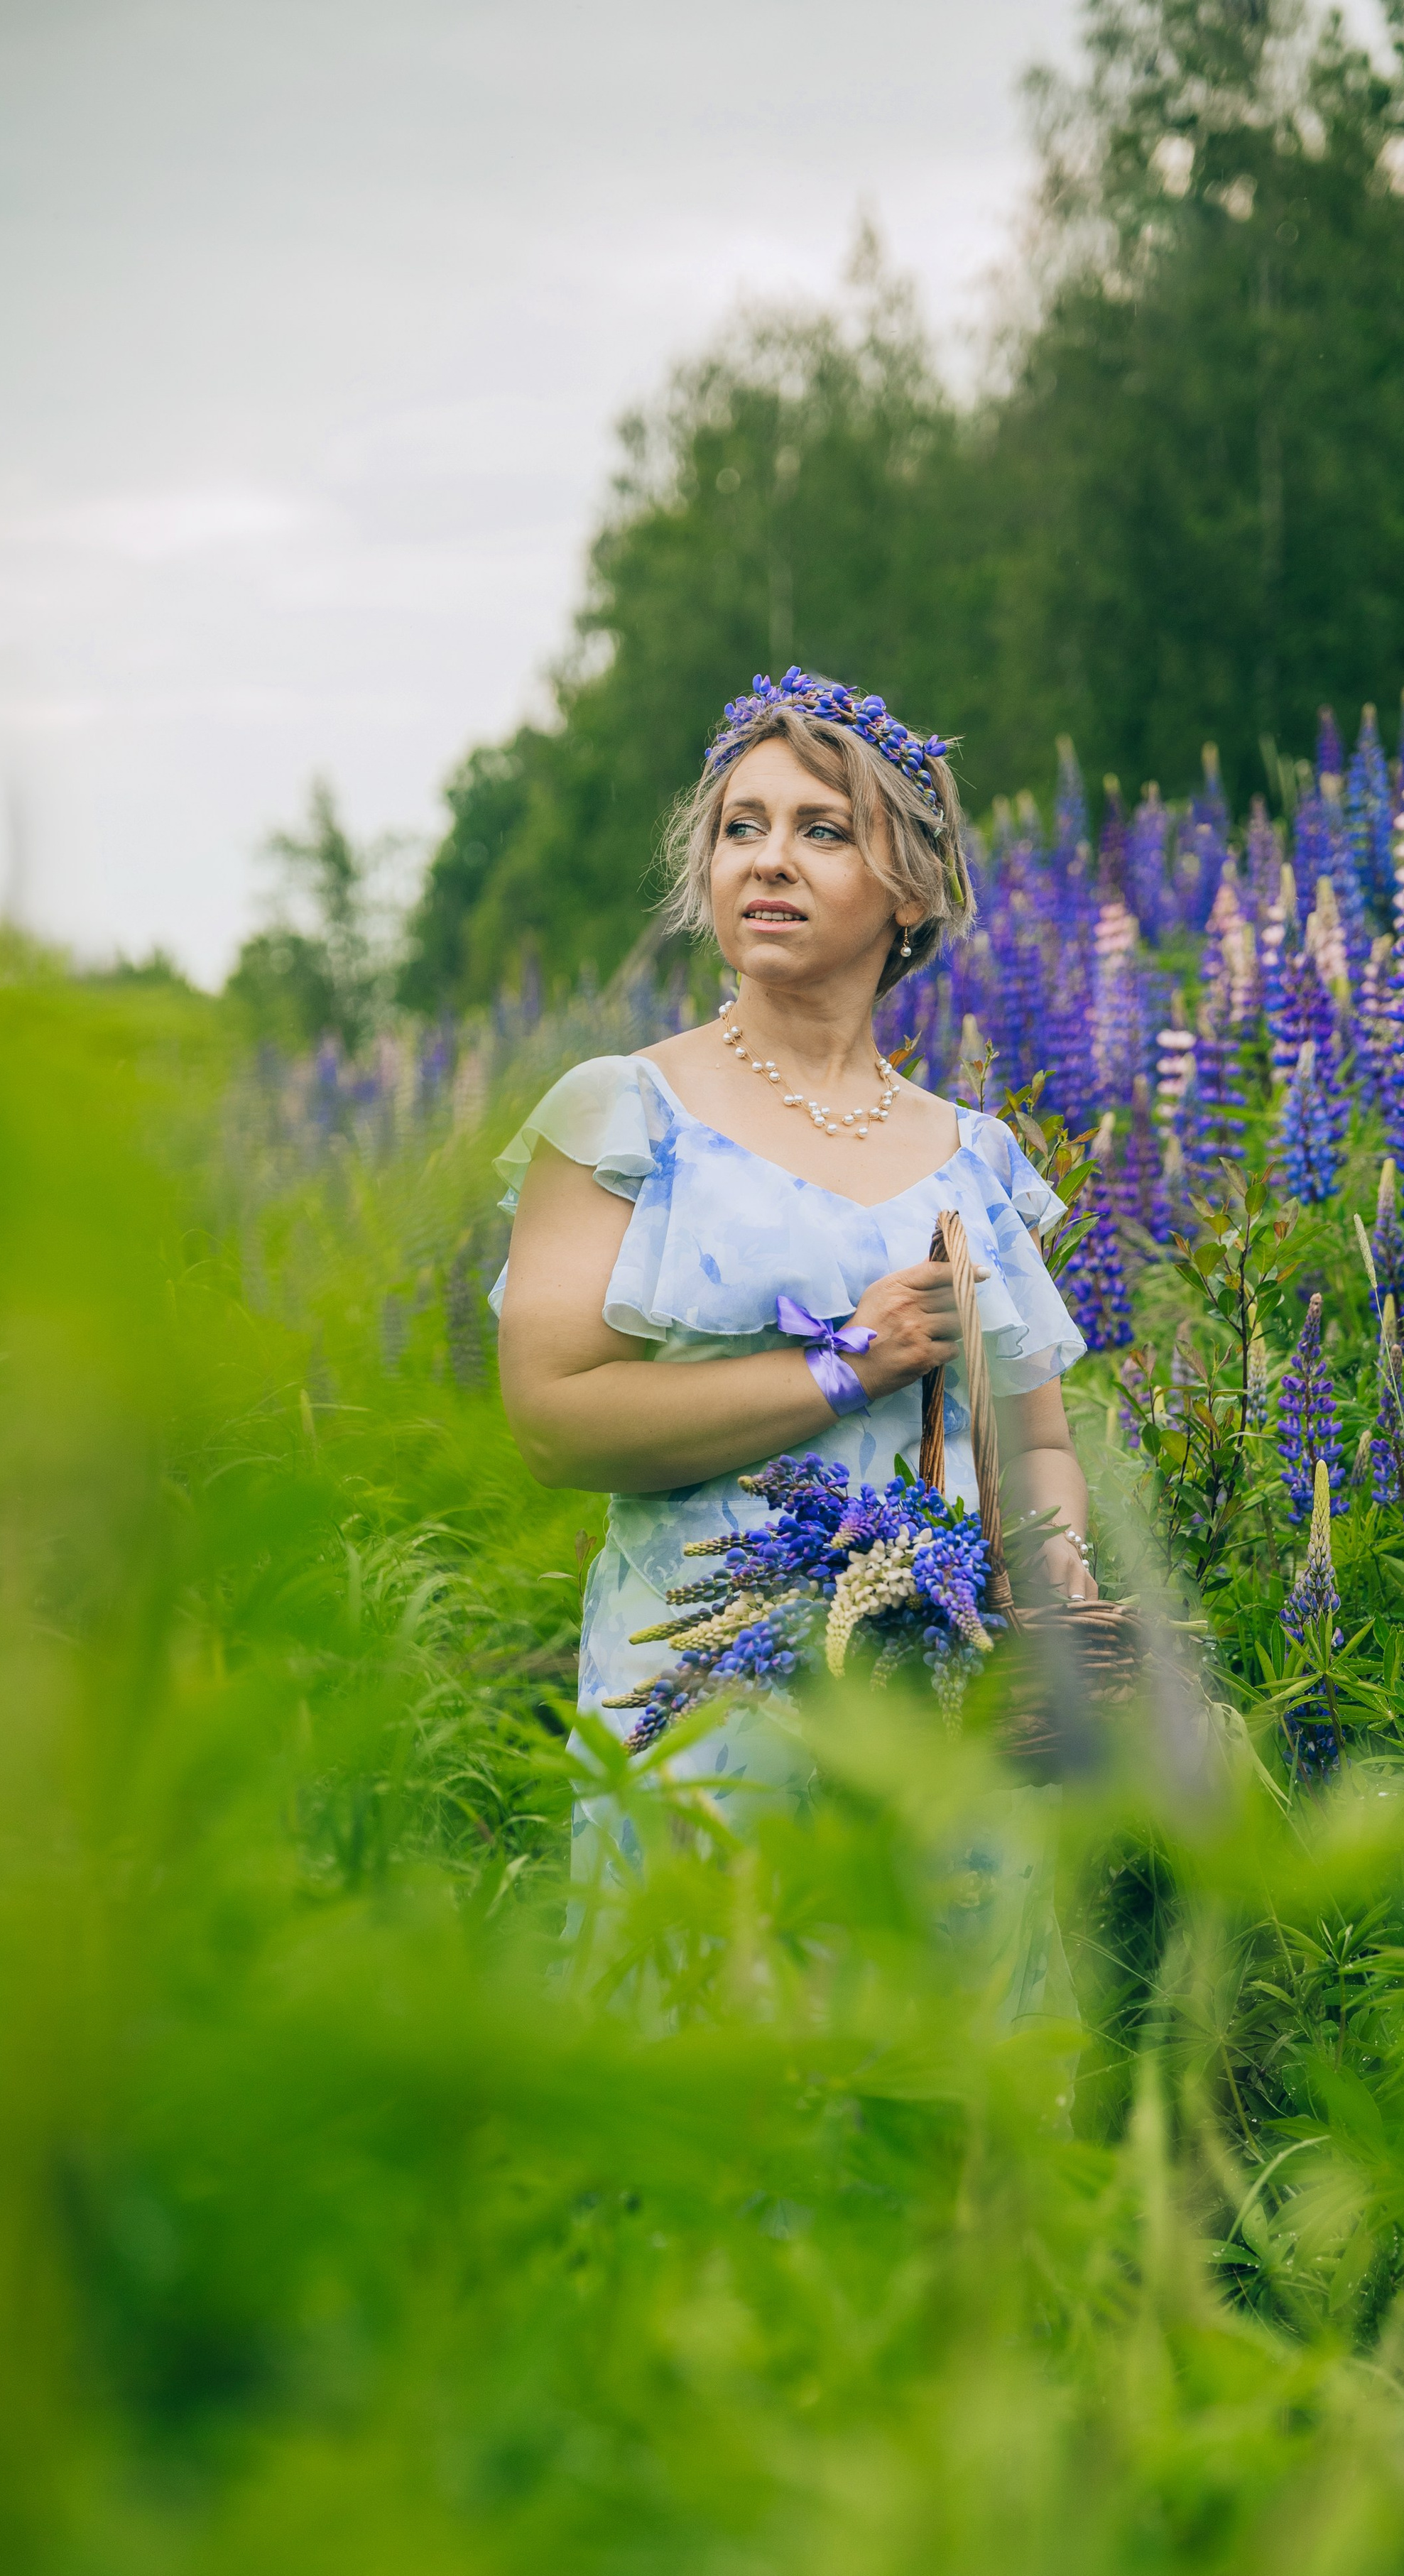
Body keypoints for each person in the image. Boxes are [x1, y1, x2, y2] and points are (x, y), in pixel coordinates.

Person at [490, 668, 1094, 1906]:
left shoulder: (975, 1156)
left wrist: (1060, 1559)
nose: (768, 860)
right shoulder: (618, 1112)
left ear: (911, 891)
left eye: (822, 831)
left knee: (945, 2077)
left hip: (949, 1722)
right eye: (740, 828)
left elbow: (1033, 1442)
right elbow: (553, 1419)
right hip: (705, 1717)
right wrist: (844, 1366)